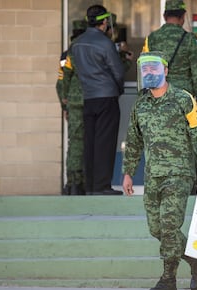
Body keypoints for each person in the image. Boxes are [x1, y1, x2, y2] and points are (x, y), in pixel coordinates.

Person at [122, 52, 197, 290]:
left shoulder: (183, 99)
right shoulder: (140, 104)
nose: (149, 73)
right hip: (153, 174)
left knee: (170, 225)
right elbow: (133, 140)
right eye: (145, 69)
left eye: (154, 68)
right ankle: (196, 260)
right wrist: (128, 172)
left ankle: (168, 280)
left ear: (166, 70)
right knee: (157, 228)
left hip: (179, 172)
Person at [70, 4, 125, 195]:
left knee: (90, 143)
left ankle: (91, 186)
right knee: (105, 143)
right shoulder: (105, 43)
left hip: (89, 98)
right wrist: (118, 89)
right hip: (106, 97)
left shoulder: (76, 44)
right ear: (104, 23)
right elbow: (118, 72)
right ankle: (102, 186)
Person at [142, 0, 197, 106]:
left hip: (159, 94)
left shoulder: (152, 38)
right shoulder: (190, 39)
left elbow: (145, 67)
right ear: (183, 16)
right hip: (183, 96)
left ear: (164, 16)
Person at [58, 20, 87, 195]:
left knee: (76, 142)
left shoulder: (67, 54)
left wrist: (65, 105)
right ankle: (79, 182)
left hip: (75, 103)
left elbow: (61, 82)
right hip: (90, 101)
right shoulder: (84, 49)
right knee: (86, 144)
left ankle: (74, 183)